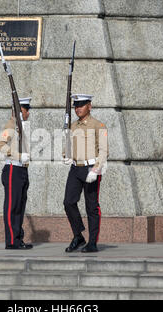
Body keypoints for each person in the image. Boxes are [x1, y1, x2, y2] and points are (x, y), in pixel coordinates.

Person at [62, 94, 109, 253]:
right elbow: (67, 146)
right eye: (76, 106)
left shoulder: (98, 125)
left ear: (89, 106)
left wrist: (96, 170)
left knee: (91, 207)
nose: (78, 108)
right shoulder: (73, 126)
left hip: (91, 169)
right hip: (75, 169)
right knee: (68, 202)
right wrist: (66, 155)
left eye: (81, 105)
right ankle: (78, 235)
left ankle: (92, 242)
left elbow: (103, 151)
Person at [0, 97, 33, 249]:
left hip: (22, 170)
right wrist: (18, 156)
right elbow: (0, 146)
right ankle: (12, 241)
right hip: (13, 169)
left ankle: (17, 239)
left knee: (19, 206)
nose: (28, 113)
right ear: (19, 111)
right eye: (25, 110)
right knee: (12, 207)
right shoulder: (11, 125)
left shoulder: (22, 126)